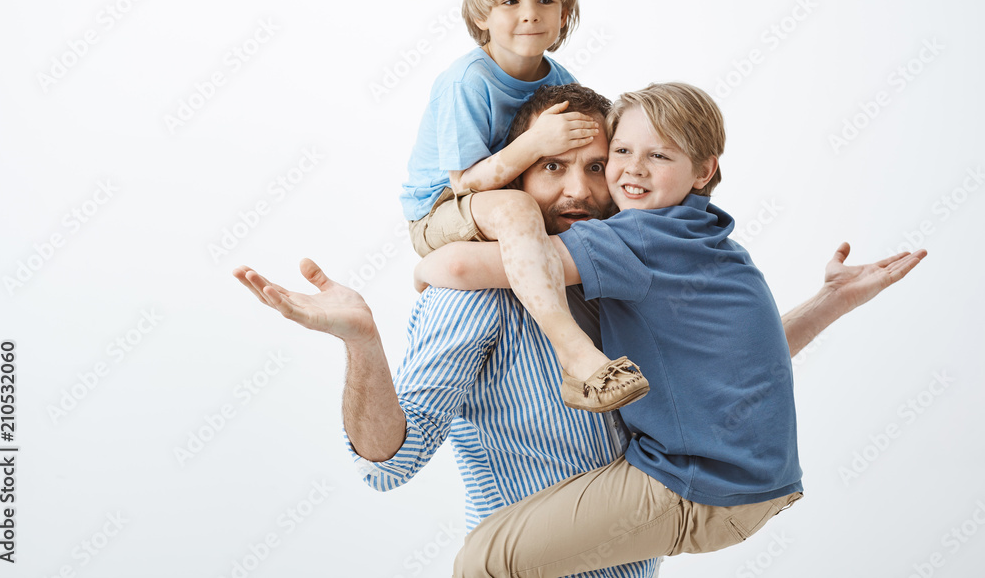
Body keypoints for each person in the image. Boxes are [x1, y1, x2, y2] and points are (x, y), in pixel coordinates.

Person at [232, 84, 926, 578]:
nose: (583, 188)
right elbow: (388, 466)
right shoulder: (481, 301)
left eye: (597, 166)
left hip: (671, 522)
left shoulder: (620, 262)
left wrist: (827, 304)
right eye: (552, 166)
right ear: (514, 178)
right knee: (479, 563)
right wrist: (363, 341)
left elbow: (719, 368)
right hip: (581, 545)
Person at [421, 82, 884, 575]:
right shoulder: (712, 237)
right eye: (621, 151)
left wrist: (422, 266)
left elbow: (462, 267)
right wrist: (831, 302)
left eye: (659, 155)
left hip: (699, 486)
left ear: (704, 171)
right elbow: (746, 362)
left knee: (486, 558)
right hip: (756, 482)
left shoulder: (638, 238)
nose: (634, 169)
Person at [401, 0, 647, 412]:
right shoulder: (467, 82)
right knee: (516, 207)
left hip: (509, 205)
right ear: (481, 15)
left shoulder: (561, 80)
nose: (530, 13)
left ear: (564, 14)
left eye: (545, 0)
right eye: (510, 1)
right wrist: (536, 143)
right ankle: (574, 352)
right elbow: (466, 182)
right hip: (442, 209)